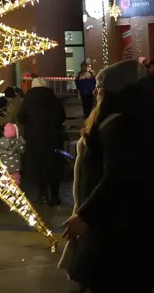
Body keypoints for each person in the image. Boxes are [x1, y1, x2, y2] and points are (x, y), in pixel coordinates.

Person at [59, 60, 154, 292]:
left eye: (100, 88)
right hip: (118, 224)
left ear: (113, 92)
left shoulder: (118, 126)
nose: (95, 93)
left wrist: (85, 215)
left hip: (114, 230)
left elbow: (116, 177)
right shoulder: (126, 122)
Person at [17, 77, 66, 206]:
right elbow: (62, 116)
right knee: (54, 166)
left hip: (35, 139)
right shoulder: (53, 98)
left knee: (38, 166)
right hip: (53, 138)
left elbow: (20, 116)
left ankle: (42, 194)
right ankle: (55, 196)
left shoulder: (29, 99)